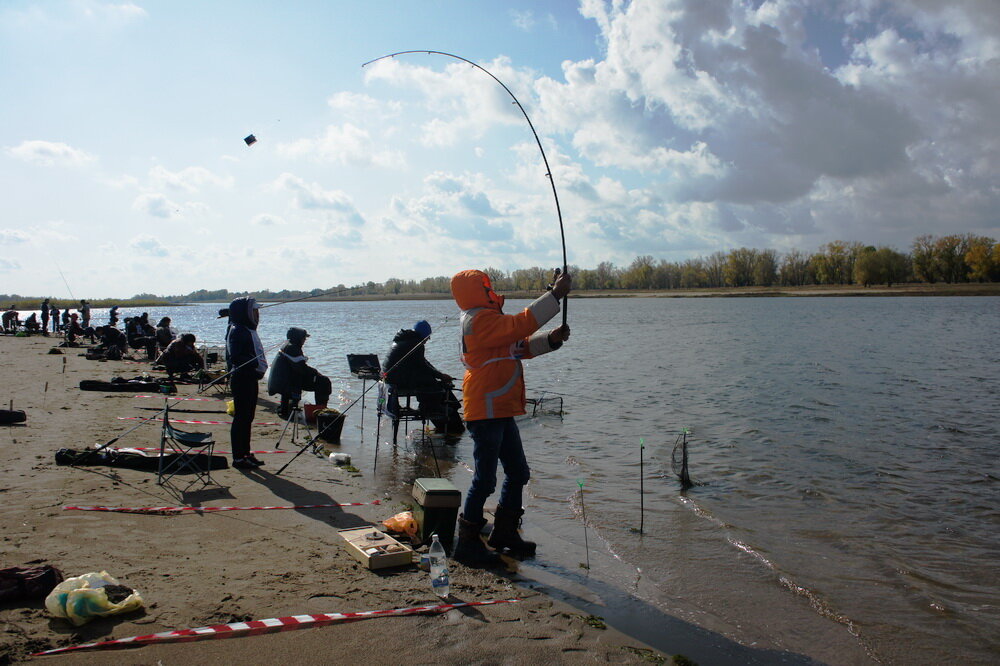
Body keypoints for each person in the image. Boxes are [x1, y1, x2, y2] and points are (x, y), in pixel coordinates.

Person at [449, 268, 571, 566]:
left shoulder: (487, 320)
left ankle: (504, 533)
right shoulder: (477, 320)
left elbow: (519, 346)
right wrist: (555, 295)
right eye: (486, 286)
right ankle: (467, 543)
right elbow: (519, 325)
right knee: (485, 480)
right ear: (475, 291)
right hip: (486, 409)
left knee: (518, 473)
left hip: (499, 409)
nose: (492, 290)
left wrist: (551, 339)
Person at [383, 320, 464, 434]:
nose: (428, 340)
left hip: (391, 377)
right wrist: (440, 376)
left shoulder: (406, 339)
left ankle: (433, 406)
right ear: (424, 335)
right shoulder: (416, 343)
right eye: (428, 337)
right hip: (397, 379)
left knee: (431, 379)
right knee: (431, 382)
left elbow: (423, 363)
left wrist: (439, 374)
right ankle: (434, 408)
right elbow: (422, 366)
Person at [225, 297, 267, 470]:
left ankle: (246, 453)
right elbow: (235, 356)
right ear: (245, 313)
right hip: (242, 379)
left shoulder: (246, 329)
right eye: (254, 311)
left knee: (248, 418)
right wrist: (252, 362)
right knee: (241, 418)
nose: (257, 314)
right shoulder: (237, 330)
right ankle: (239, 457)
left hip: (250, 378)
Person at [266, 327, 332, 419]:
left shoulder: (288, 345)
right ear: (298, 338)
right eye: (303, 338)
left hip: (282, 380)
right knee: (324, 381)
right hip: (285, 383)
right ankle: (321, 412)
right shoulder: (293, 348)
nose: (304, 340)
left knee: (316, 379)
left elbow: (298, 367)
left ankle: (288, 407)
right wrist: (316, 373)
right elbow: (302, 369)